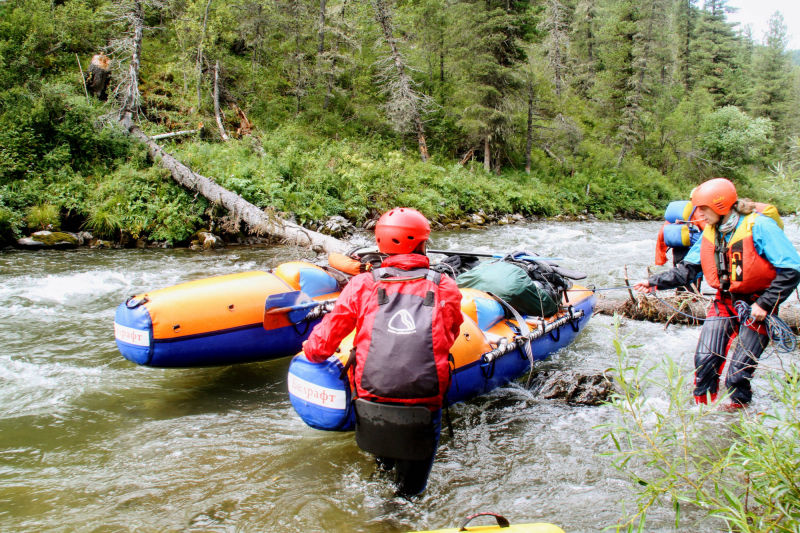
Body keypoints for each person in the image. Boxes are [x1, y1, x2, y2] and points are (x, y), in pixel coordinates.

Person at [302, 207, 464, 496]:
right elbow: (449, 335)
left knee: (383, 473)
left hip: (370, 396)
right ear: (421, 243)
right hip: (424, 400)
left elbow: (327, 337)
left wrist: (310, 354)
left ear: (380, 244)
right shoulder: (445, 286)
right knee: (410, 494)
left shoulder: (362, 284)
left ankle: (383, 473)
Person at [634, 178, 800, 410]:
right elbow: (688, 270)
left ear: (721, 206)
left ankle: (737, 415)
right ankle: (703, 413)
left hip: (757, 306)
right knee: (705, 362)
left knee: (737, 375)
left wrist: (765, 304)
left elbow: (791, 269)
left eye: (703, 208)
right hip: (725, 302)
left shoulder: (760, 227)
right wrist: (652, 282)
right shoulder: (711, 232)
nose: (699, 214)